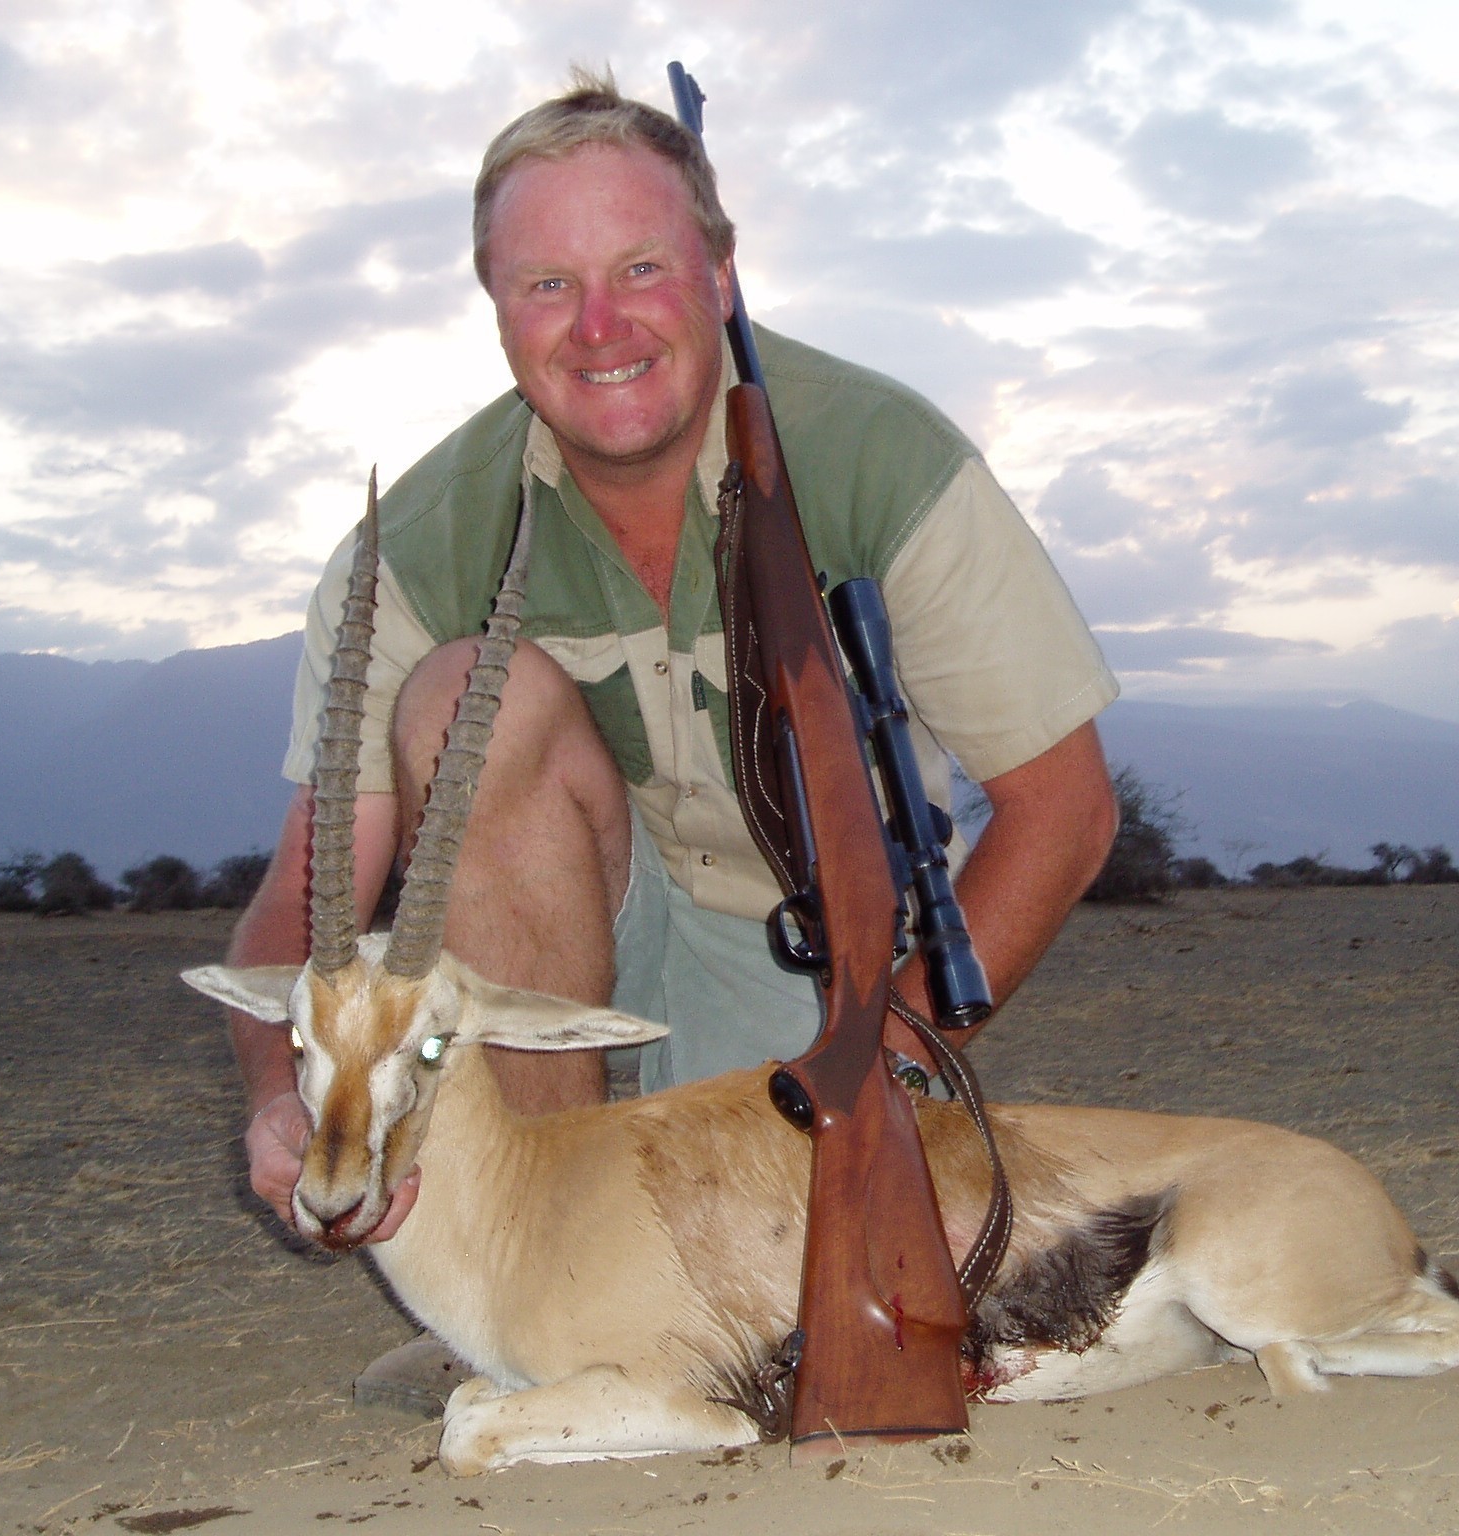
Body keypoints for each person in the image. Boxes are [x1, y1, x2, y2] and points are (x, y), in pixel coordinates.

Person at [221, 69, 1119, 1402]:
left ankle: (697, 1288)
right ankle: (547, 1305)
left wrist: (883, 1064)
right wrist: (279, 1102)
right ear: (495, 306)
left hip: (817, 997)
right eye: (545, 285)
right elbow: (302, 912)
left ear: (721, 272)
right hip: (557, 1004)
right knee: (475, 692)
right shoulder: (420, 544)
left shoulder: (875, 457)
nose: (598, 326)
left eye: (642, 266)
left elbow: (1063, 809)